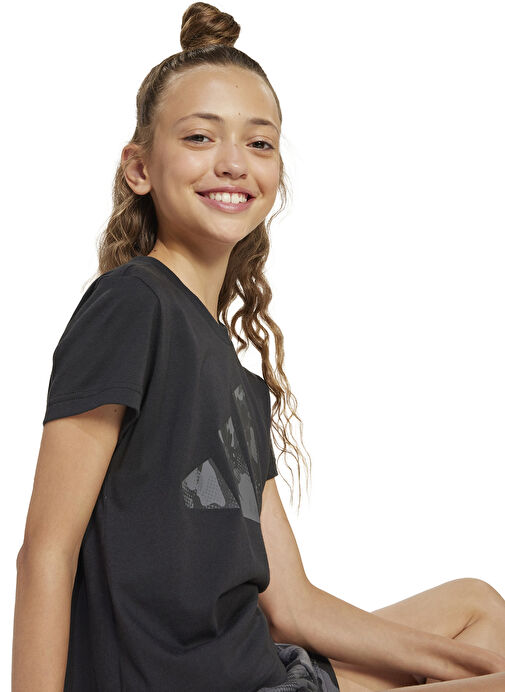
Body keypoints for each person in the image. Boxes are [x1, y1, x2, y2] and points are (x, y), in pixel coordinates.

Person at [11, 3, 505, 691]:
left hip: (261, 670)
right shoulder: (132, 305)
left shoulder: (236, 378)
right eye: (199, 137)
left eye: (260, 144)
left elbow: (293, 605)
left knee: (476, 607)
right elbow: (46, 552)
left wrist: (472, 669)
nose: (232, 164)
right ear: (138, 167)